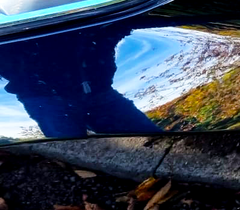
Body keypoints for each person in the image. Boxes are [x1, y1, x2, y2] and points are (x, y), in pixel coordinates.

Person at [0, 26, 161, 139]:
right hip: (41, 95)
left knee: (153, 139)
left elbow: (116, 29)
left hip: (97, 87)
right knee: (69, 153)